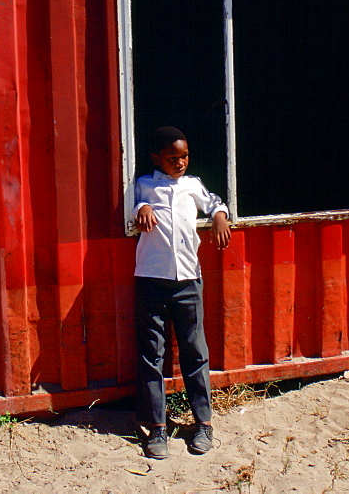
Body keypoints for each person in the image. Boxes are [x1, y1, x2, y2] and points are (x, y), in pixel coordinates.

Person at [133, 126, 232, 459]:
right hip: (151, 278)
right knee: (152, 354)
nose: (180, 162)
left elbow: (215, 202)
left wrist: (219, 216)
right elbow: (133, 207)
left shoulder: (192, 186)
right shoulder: (143, 184)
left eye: (184, 156)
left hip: (188, 280)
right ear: (156, 158)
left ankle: (203, 423)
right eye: (172, 157)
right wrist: (141, 209)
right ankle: (156, 428)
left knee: (194, 350)